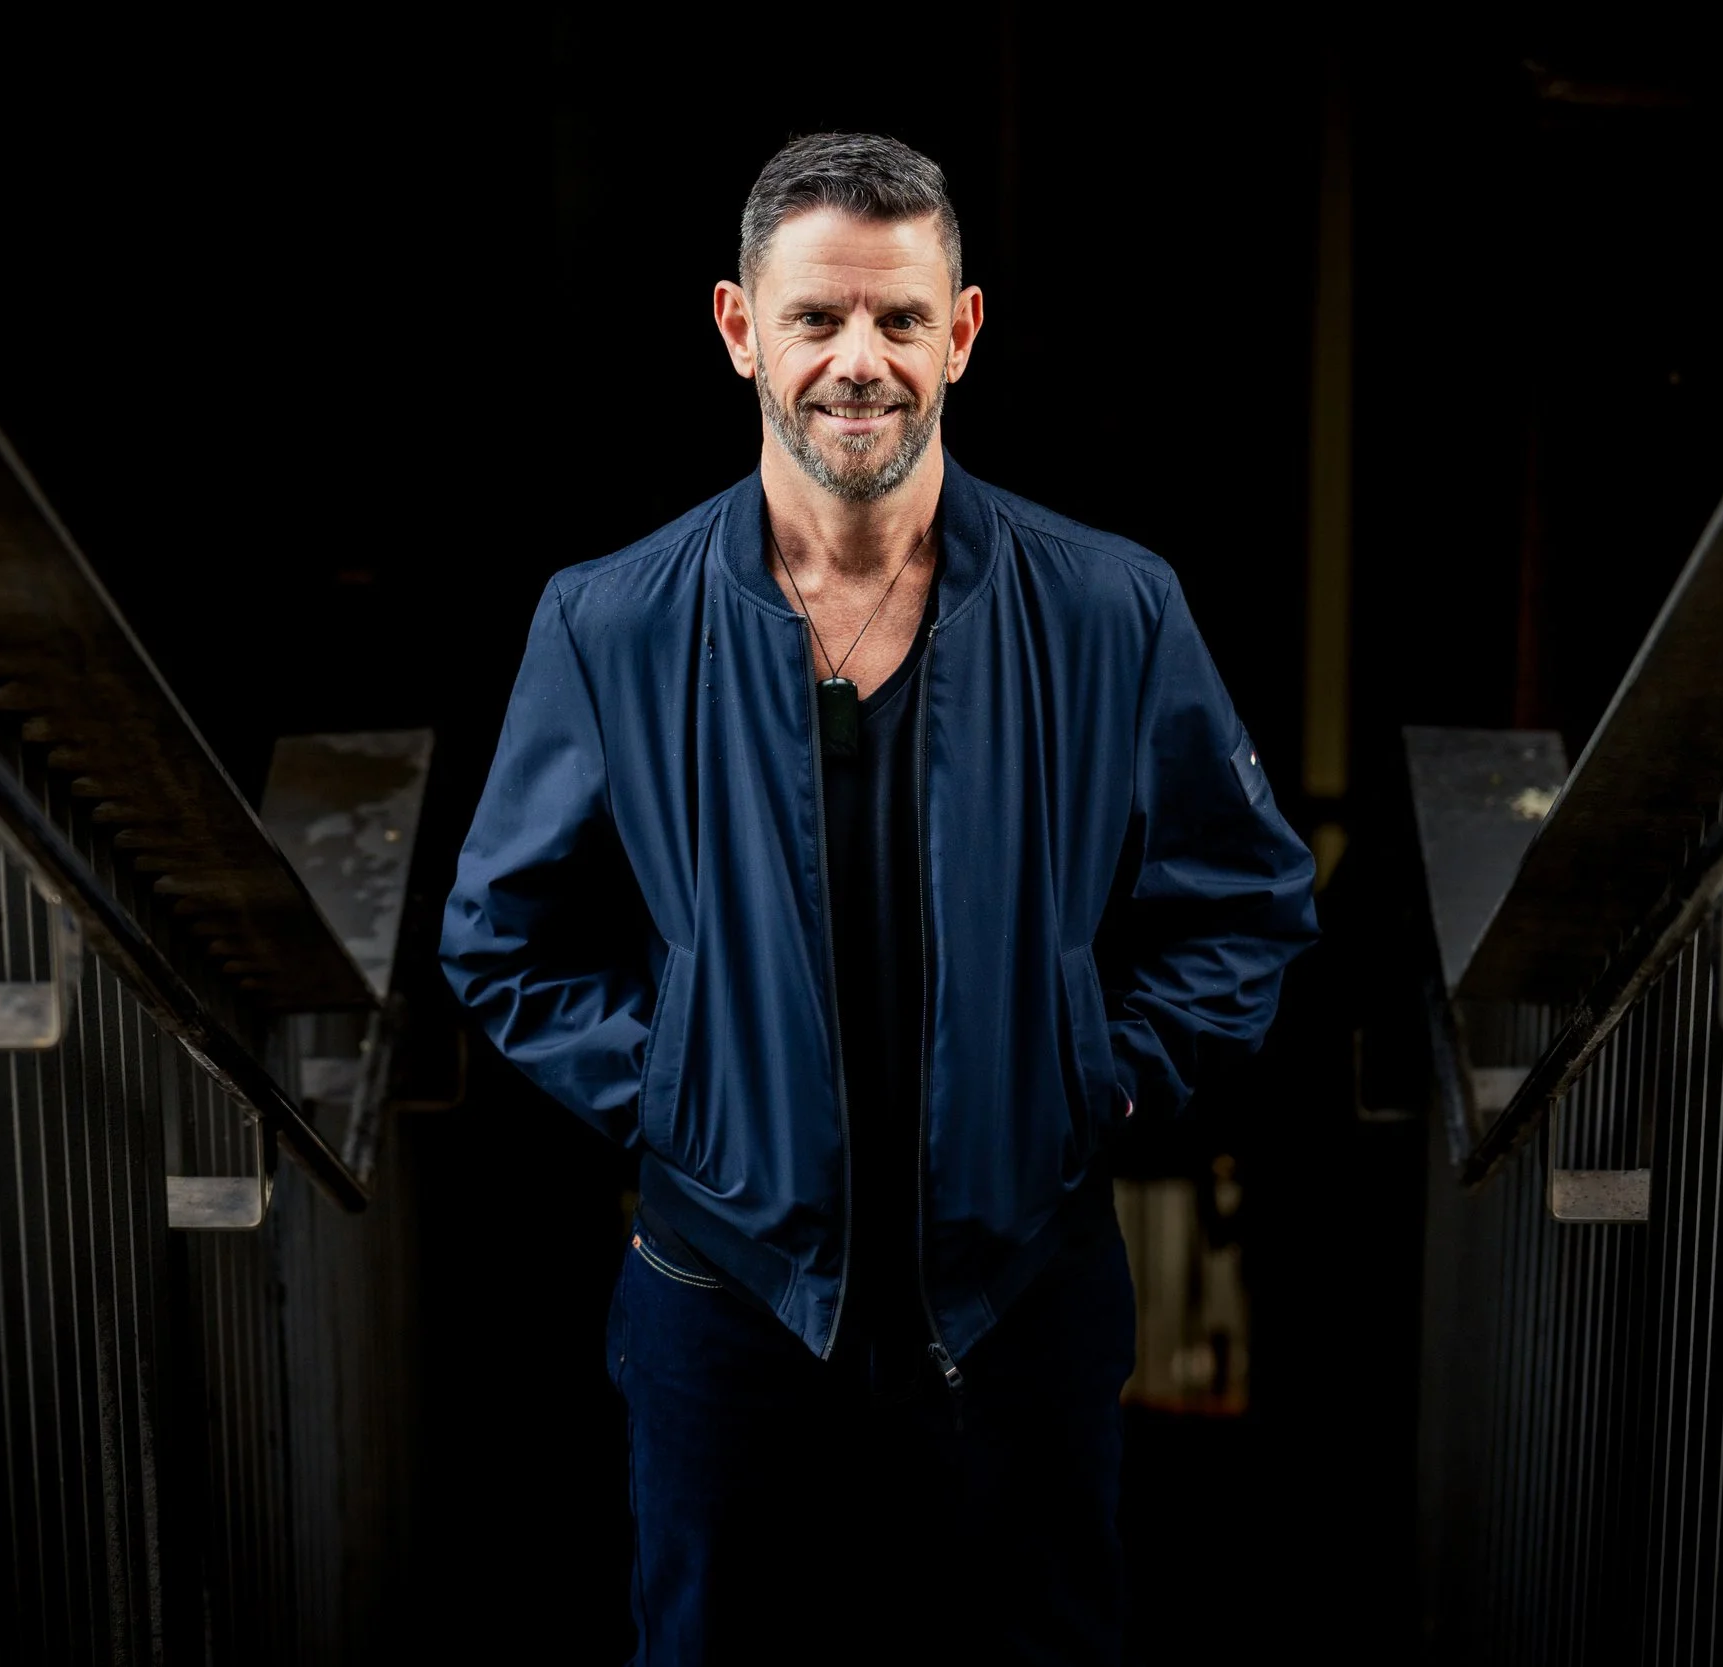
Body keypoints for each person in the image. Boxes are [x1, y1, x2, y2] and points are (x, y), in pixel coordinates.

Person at [441, 131, 1317, 1666]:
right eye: (817, 317)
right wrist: (681, 1093)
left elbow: (1244, 897)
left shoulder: (1111, 607)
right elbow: (502, 936)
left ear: (960, 332)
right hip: (725, 1296)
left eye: (900, 318)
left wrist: (1105, 1074)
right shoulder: (609, 623)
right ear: (740, 329)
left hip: (1022, 1297)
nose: (861, 361)